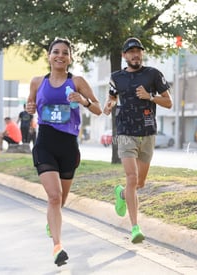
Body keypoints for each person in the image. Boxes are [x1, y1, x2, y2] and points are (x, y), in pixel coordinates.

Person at [25, 38, 101, 267]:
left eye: (64, 53)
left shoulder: (77, 81)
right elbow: (30, 105)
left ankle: (53, 222)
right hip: (45, 144)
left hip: (69, 147)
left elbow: (98, 108)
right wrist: (28, 108)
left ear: (70, 58)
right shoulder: (37, 82)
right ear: (49, 56)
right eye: (55, 52)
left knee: (61, 200)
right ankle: (57, 246)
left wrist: (83, 100)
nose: (60, 56)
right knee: (54, 196)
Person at [103, 37, 173, 244]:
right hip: (125, 133)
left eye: (138, 51)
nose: (135, 54)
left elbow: (168, 102)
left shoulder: (153, 74)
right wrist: (108, 106)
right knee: (132, 178)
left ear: (142, 54)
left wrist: (149, 97)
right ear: (124, 56)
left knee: (139, 183)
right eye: (130, 51)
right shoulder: (116, 77)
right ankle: (135, 228)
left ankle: (122, 194)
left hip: (148, 132)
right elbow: (113, 97)